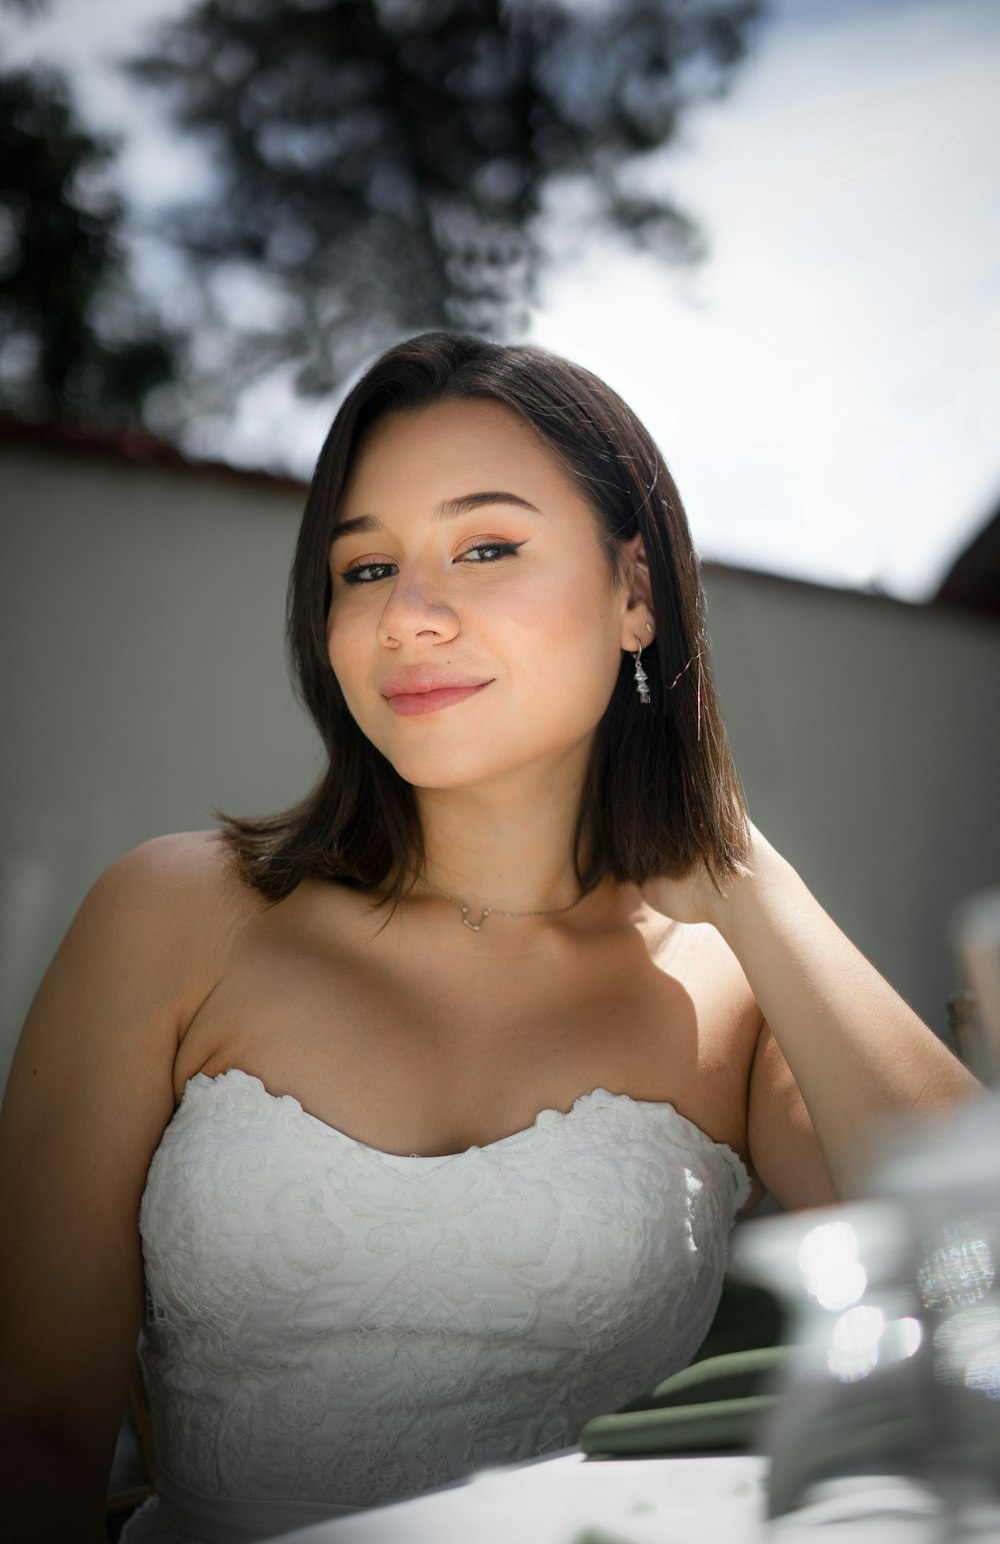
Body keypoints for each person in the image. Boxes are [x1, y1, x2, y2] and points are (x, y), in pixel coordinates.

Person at [0, 332, 978, 1544]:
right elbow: (34, 1423)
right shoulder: (173, 913)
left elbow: (975, 1284)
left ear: (635, 595)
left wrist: (745, 879)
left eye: (485, 547)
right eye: (364, 568)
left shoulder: (729, 993)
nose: (408, 615)